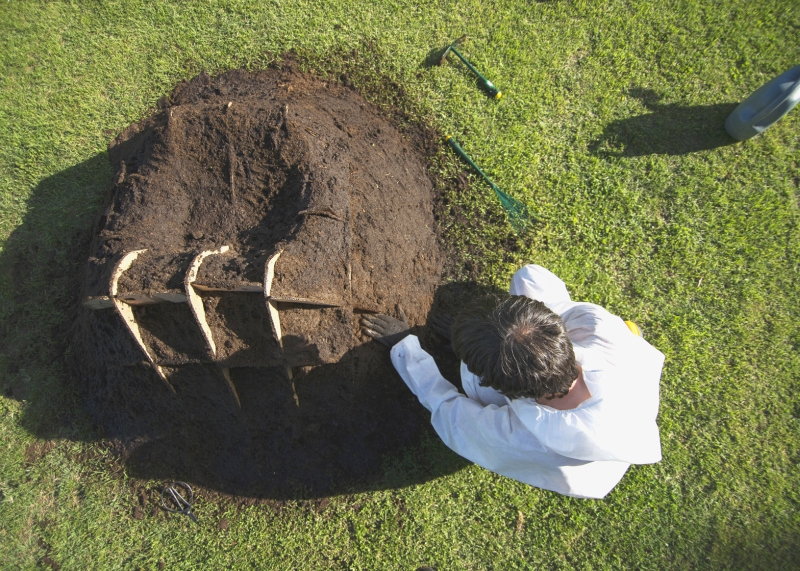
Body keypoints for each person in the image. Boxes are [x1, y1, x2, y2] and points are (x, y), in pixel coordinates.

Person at [361, 264, 664, 499]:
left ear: (503, 388)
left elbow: (450, 410)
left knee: (471, 387)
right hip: (625, 400)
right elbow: (551, 301)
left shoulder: (523, 438)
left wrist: (406, 347)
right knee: (529, 277)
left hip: (580, 463)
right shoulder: (598, 330)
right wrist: (486, 340)